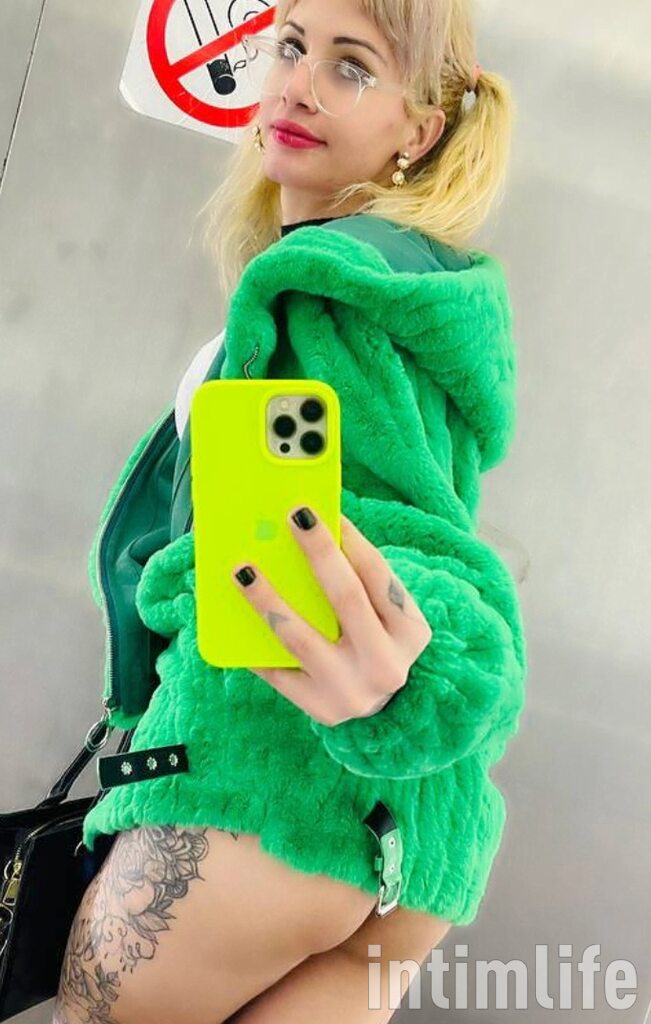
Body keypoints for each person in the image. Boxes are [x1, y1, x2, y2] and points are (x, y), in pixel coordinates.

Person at [53, 1, 525, 1022]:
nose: (299, 84)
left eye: (352, 67)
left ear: (418, 131)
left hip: (264, 790)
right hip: (406, 839)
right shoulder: (420, 298)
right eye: (292, 47)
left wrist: (190, 581)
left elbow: (401, 542)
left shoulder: (328, 292)